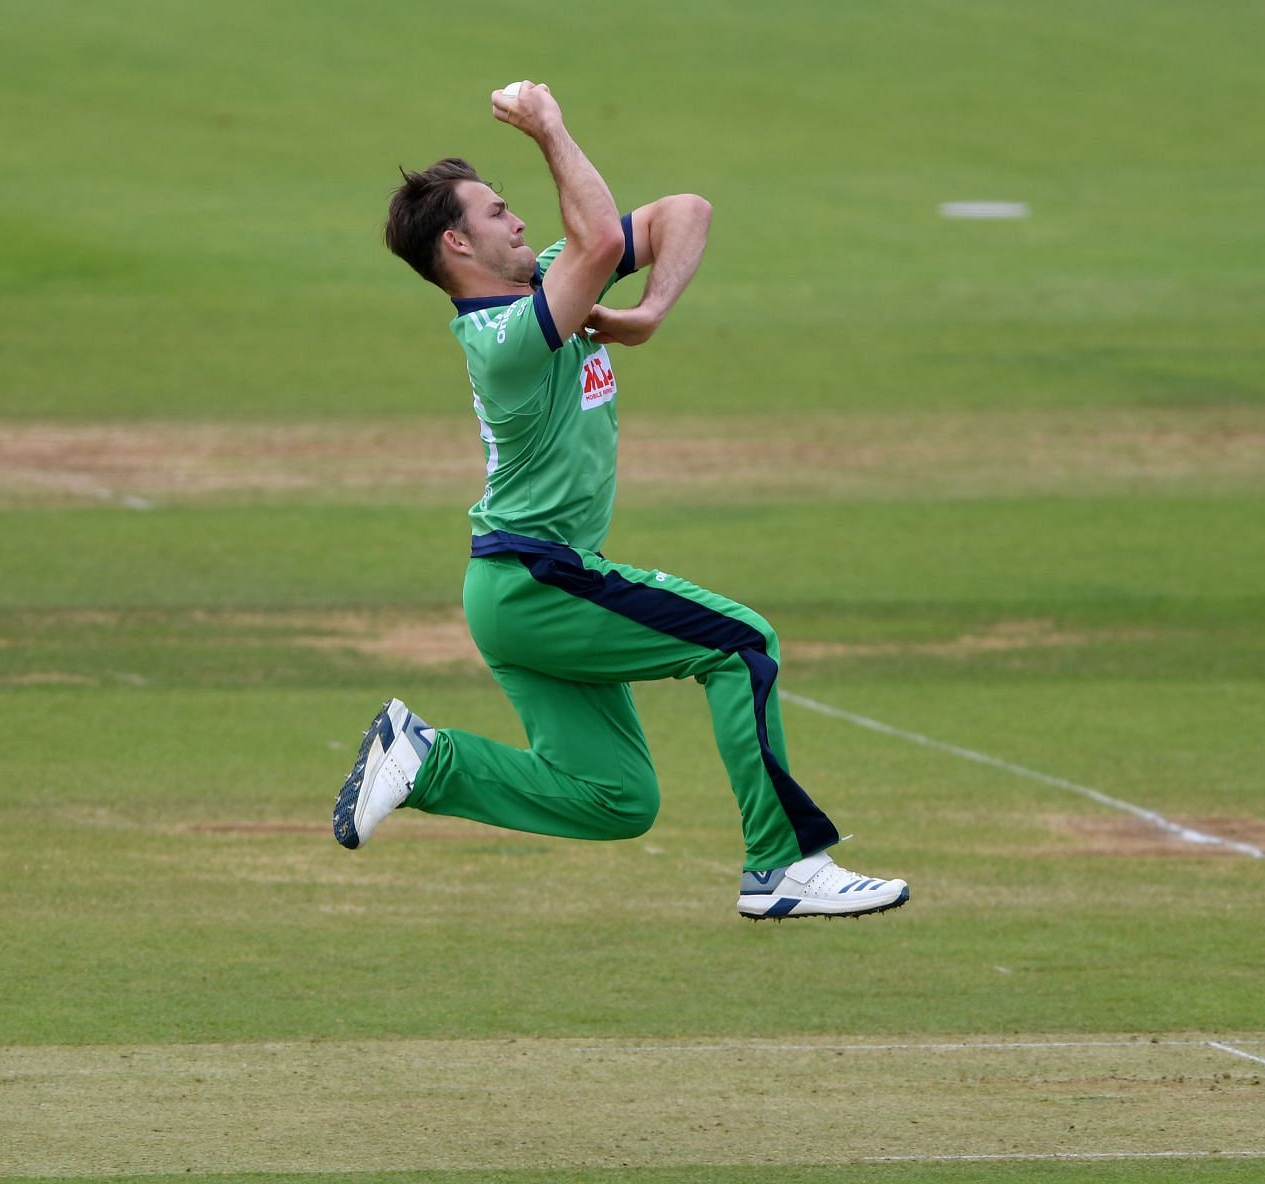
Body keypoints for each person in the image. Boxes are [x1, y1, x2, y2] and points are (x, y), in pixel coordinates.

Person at [332, 81, 908, 921]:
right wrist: (549, 127)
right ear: (457, 243)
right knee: (743, 644)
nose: (520, 220)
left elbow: (686, 211)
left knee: (615, 798)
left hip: (520, 590)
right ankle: (781, 867)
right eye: (498, 213)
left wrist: (649, 311)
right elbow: (598, 235)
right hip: (535, 579)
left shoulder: (546, 304)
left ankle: (427, 761)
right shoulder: (503, 338)